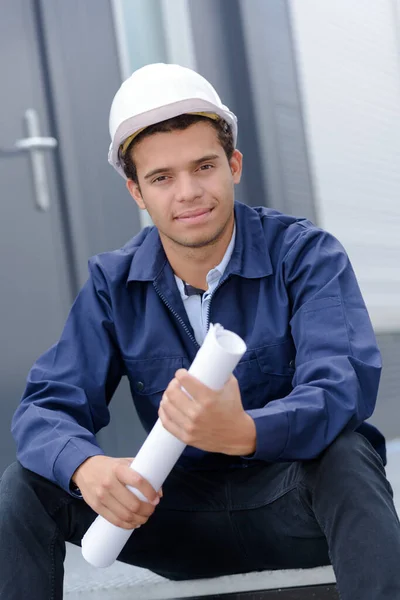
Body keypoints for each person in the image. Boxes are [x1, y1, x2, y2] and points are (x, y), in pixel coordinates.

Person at [0, 63, 399, 600]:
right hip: (179, 521)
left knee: (348, 453)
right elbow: (46, 407)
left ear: (233, 165)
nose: (187, 192)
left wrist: (247, 432)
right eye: (162, 177)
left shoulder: (305, 255)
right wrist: (86, 468)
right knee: (27, 483)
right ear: (137, 192)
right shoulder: (112, 284)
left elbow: (341, 386)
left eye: (204, 166)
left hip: (295, 510)